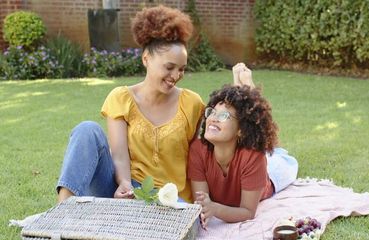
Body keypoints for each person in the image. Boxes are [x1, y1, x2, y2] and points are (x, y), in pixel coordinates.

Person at [56, 5, 204, 203]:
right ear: (146, 59)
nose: (176, 76)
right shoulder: (122, 98)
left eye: (182, 69)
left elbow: (201, 158)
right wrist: (125, 183)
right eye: (169, 67)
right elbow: (118, 154)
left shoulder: (191, 103)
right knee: (87, 130)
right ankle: (63, 211)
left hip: (169, 199)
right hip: (124, 191)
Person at [188, 78, 298, 228]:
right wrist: (208, 207)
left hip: (272, 175)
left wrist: (215, 209)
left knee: (287, 161)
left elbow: (247, 212)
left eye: (223, 116)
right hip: (247, 158)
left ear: (241, 129)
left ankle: (276, 152)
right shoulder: (198, 149)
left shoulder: (254, 157)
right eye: (212, 112)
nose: (213, 118)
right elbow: (202, 204)